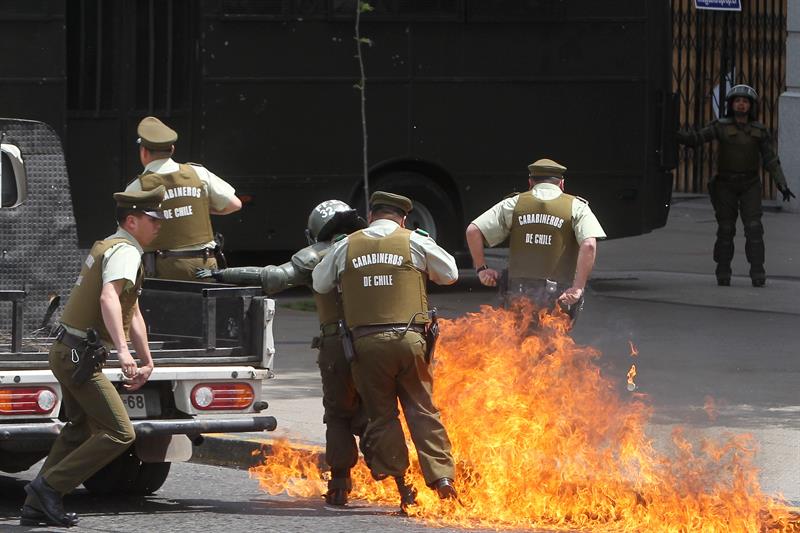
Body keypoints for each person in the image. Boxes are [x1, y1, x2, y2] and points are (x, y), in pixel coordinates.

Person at [197, 200, 368, 506]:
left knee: (339, 414)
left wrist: (223, 274)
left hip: (338, 346)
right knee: (381, 412)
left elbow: (274, 277)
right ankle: (405, 482)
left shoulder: (320, 253)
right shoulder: (377, 244)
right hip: (384, 341)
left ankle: (340, 485)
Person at [21, 187, 165, 528]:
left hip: (68, 350)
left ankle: (34, 504)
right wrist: (124, 352)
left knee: (79, 428)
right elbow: (108, 299)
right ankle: (48, 488)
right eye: (152, 219)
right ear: (132, 220)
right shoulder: (126, 251)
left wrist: (147, 359)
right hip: (77, 354)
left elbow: (133, 310)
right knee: (119, 432)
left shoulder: (110, 246)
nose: (158, 225)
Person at [312, 191, 459, 511]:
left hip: (366, 347)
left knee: (382, 416)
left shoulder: (346, 246)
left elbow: (320, 283)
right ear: (403, 218)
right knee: (422, 410)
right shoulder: (414, 241)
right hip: (411, 341)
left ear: (372, 214)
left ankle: (404, 487)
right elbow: (450, 274)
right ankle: (443, 479)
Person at [676, 84, 795, 287]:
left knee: (754, 228)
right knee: (726, 229)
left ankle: (758, 272)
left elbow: (771, 160)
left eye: (745, 101)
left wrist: (781, 183)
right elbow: (695, 139)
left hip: (750, 184)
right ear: (731, 104)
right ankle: (723, 272)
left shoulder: (759, 130)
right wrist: (674, 133)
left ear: (751, 106)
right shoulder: (720, 126)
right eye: (738, 101)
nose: (741, 105)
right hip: (725, 185)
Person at [465, 158, 606, 325]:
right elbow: (589, 245)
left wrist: (482, 268)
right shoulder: (577, 206)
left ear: (530, 182)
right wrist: (577, 288)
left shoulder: (514, 203)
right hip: (558, 295)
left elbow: (473, 230)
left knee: (516, 346)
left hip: (517, 294)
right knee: (554, 347)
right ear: (561, 183)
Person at [125, 116, 241, 281]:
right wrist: (198, 208)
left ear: (143, 152)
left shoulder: (137, 187)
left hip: (163, 273)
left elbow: (126, 234)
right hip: (204, 267)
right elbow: (235, 204)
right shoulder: (198, 173)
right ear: (172, 149)